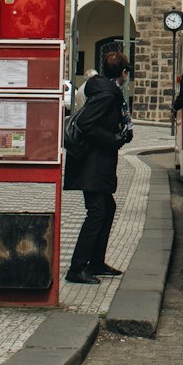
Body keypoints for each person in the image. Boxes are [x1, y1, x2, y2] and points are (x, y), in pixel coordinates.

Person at [63, 50, 133, 284]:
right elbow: (86, 123)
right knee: (97, 212)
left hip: (95, 162)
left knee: (107, 208)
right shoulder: (107, 94)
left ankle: (96, 262)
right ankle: (77, 267)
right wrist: (113, 138)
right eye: (126, 73)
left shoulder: (103, 90)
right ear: (123, 73)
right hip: (92, 163)